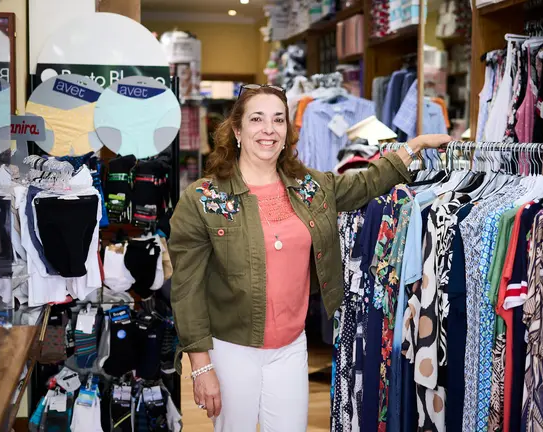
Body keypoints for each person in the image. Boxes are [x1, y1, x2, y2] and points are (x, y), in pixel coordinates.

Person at [168, 84, 450, 431]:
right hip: (231, 351)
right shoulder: (202, 199)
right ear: (237, 130)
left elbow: (365, 184)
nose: (268, 129)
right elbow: (187, 289)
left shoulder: (310, 187)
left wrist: (413, 148)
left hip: (290, 347)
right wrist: (201, 366)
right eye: (257, 119)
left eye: (278, 120)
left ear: (288, 131)